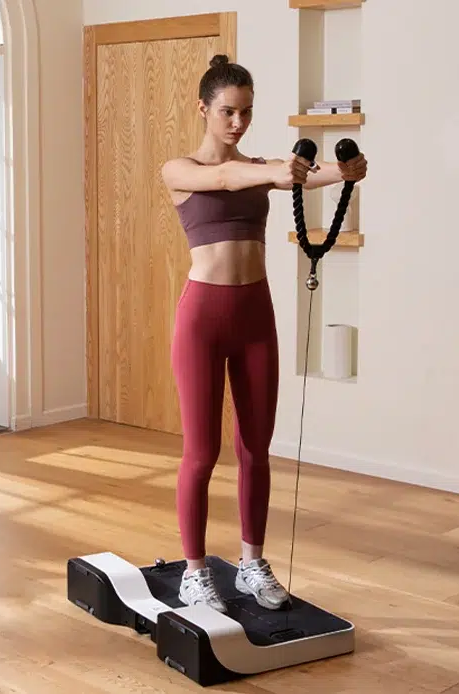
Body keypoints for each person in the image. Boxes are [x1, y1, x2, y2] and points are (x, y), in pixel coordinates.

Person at [162, 54, 367, 614]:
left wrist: (344, 172)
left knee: (256, 449)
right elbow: (227, 176)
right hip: (202, 319)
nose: (237, 123)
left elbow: (304, 173)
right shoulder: (179, 169)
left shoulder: (261, 165)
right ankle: (195, 571)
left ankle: (253, 562)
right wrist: (278, 171)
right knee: (200, 454)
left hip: (256, 316)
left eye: (246, 113)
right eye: (228, 112)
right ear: (203, 108)